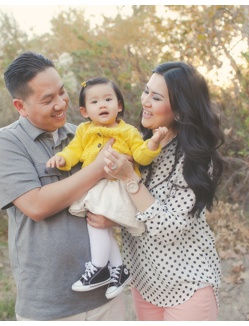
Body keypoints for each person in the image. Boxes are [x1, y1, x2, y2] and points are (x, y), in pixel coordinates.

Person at [0, 52, 124, 320]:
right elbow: (37, 205)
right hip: (49, 305)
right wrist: (98, 167)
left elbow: (115, 193)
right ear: (20, 106)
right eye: (48, 100)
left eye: (62, 92)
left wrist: (112, 217)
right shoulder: (5, 143)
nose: (61, 103)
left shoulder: (84, 134)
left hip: (104, 297)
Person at [89, 62, 225, 320]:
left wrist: (130, 178)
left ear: (180, 109)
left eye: (156, 97)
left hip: (187, 285)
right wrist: (113, 218)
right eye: (146, 91)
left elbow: (168, 230)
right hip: (145, 281)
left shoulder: (195, 158)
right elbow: (137, 210)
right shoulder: (140, 145)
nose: (145, 102)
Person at [45, 76, 168, 297]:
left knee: (96, 225)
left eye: (108, 99)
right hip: (96, 186)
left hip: (117, 186)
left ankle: (98, 267)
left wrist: (153, 143)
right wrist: (62, 158)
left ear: (118, 105)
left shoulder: (128, 131)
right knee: (100, 226)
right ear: (84, 111)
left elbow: (141, 156)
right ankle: (118, 270)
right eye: (94, 102)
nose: (102, 105)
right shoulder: (83, 131)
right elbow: (74, 150)